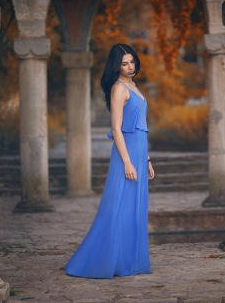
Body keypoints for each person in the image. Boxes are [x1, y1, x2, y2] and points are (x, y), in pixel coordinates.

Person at [65, 44, 154, 279]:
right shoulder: (118, 88)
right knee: (118, 208)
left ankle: (128, 261)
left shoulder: (134, 85)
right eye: (124, 63)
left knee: (135, 208)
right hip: (125, 153)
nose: (130, 66)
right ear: (117, 65)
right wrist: (127, 162)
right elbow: (116, 128)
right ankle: (108, 261)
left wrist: (146, 159)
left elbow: (140, 127)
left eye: (132, 61)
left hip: (138, 150)